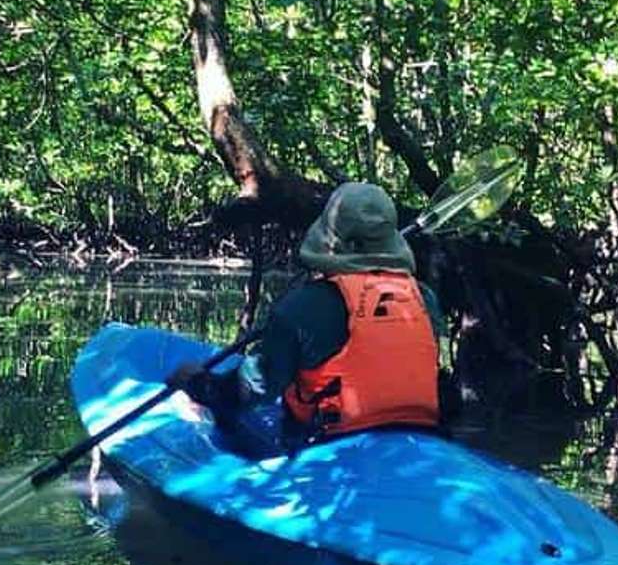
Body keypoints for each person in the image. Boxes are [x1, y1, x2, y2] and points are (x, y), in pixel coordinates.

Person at [173, 182, 442, 449]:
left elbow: (253, 387)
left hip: (333, 445)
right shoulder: (423, 299)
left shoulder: (304, 306)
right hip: (423, 440)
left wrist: (200, 385)